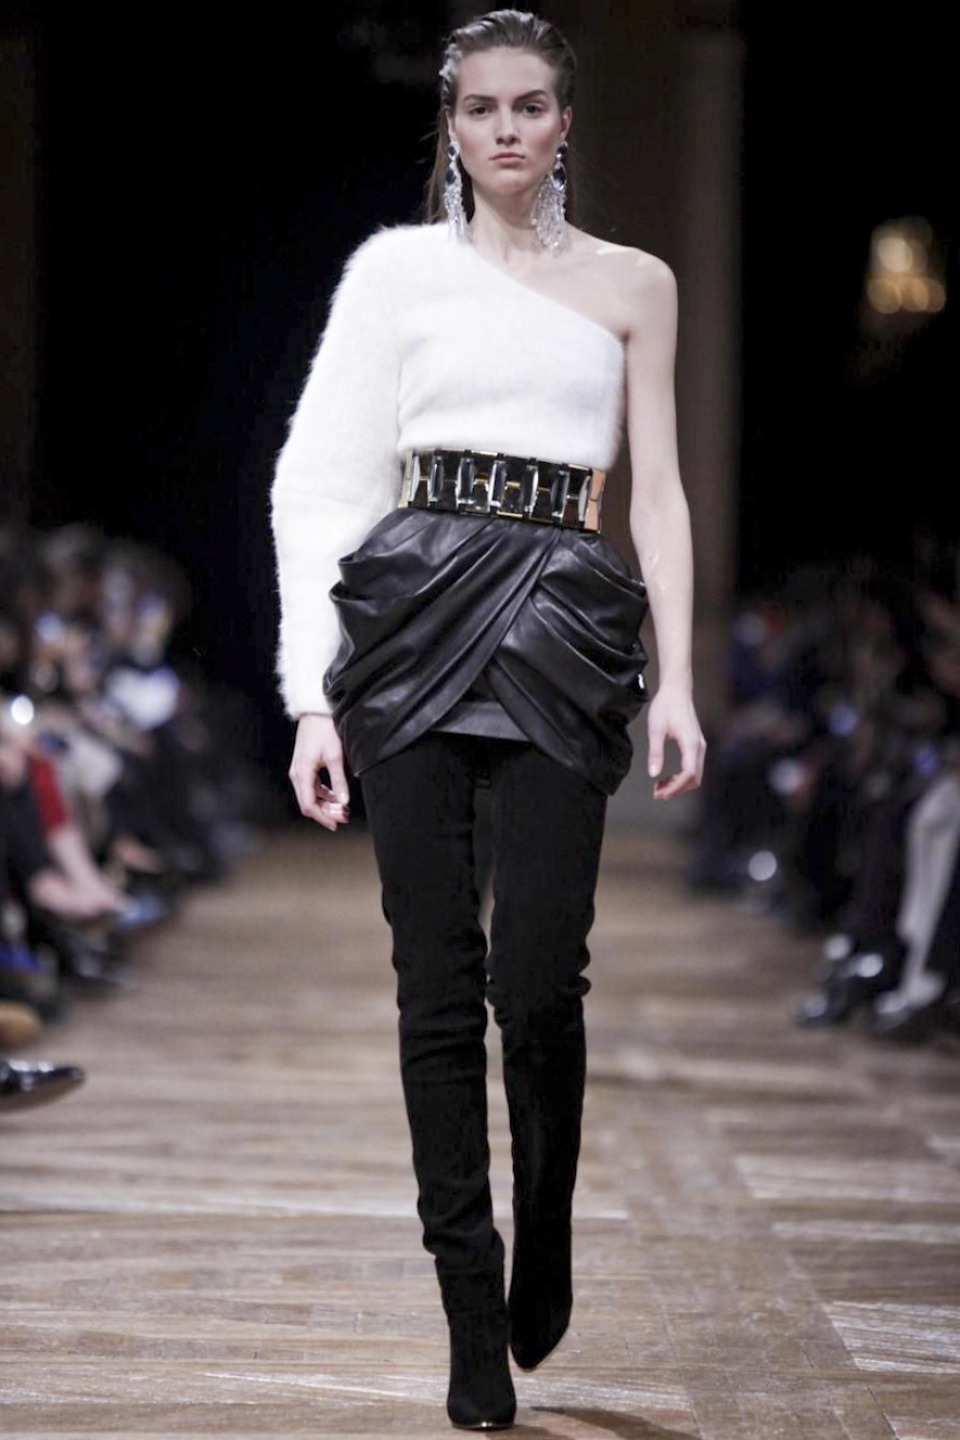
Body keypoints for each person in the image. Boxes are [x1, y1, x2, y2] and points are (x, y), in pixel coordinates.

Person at [271, 10, 705, 1430]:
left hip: (565, 624)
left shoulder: (636, 284)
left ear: (565, 121)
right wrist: (310, 692)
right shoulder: (396, 275)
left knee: (540, 980)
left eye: (529, 106)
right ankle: (469, 1300)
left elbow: (658, 493)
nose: (505, 129)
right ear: (449, 125)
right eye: (479, 108)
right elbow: (320, 482)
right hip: (408, 627)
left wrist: (678, 681)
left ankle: (547, 1221)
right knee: (436, 982)